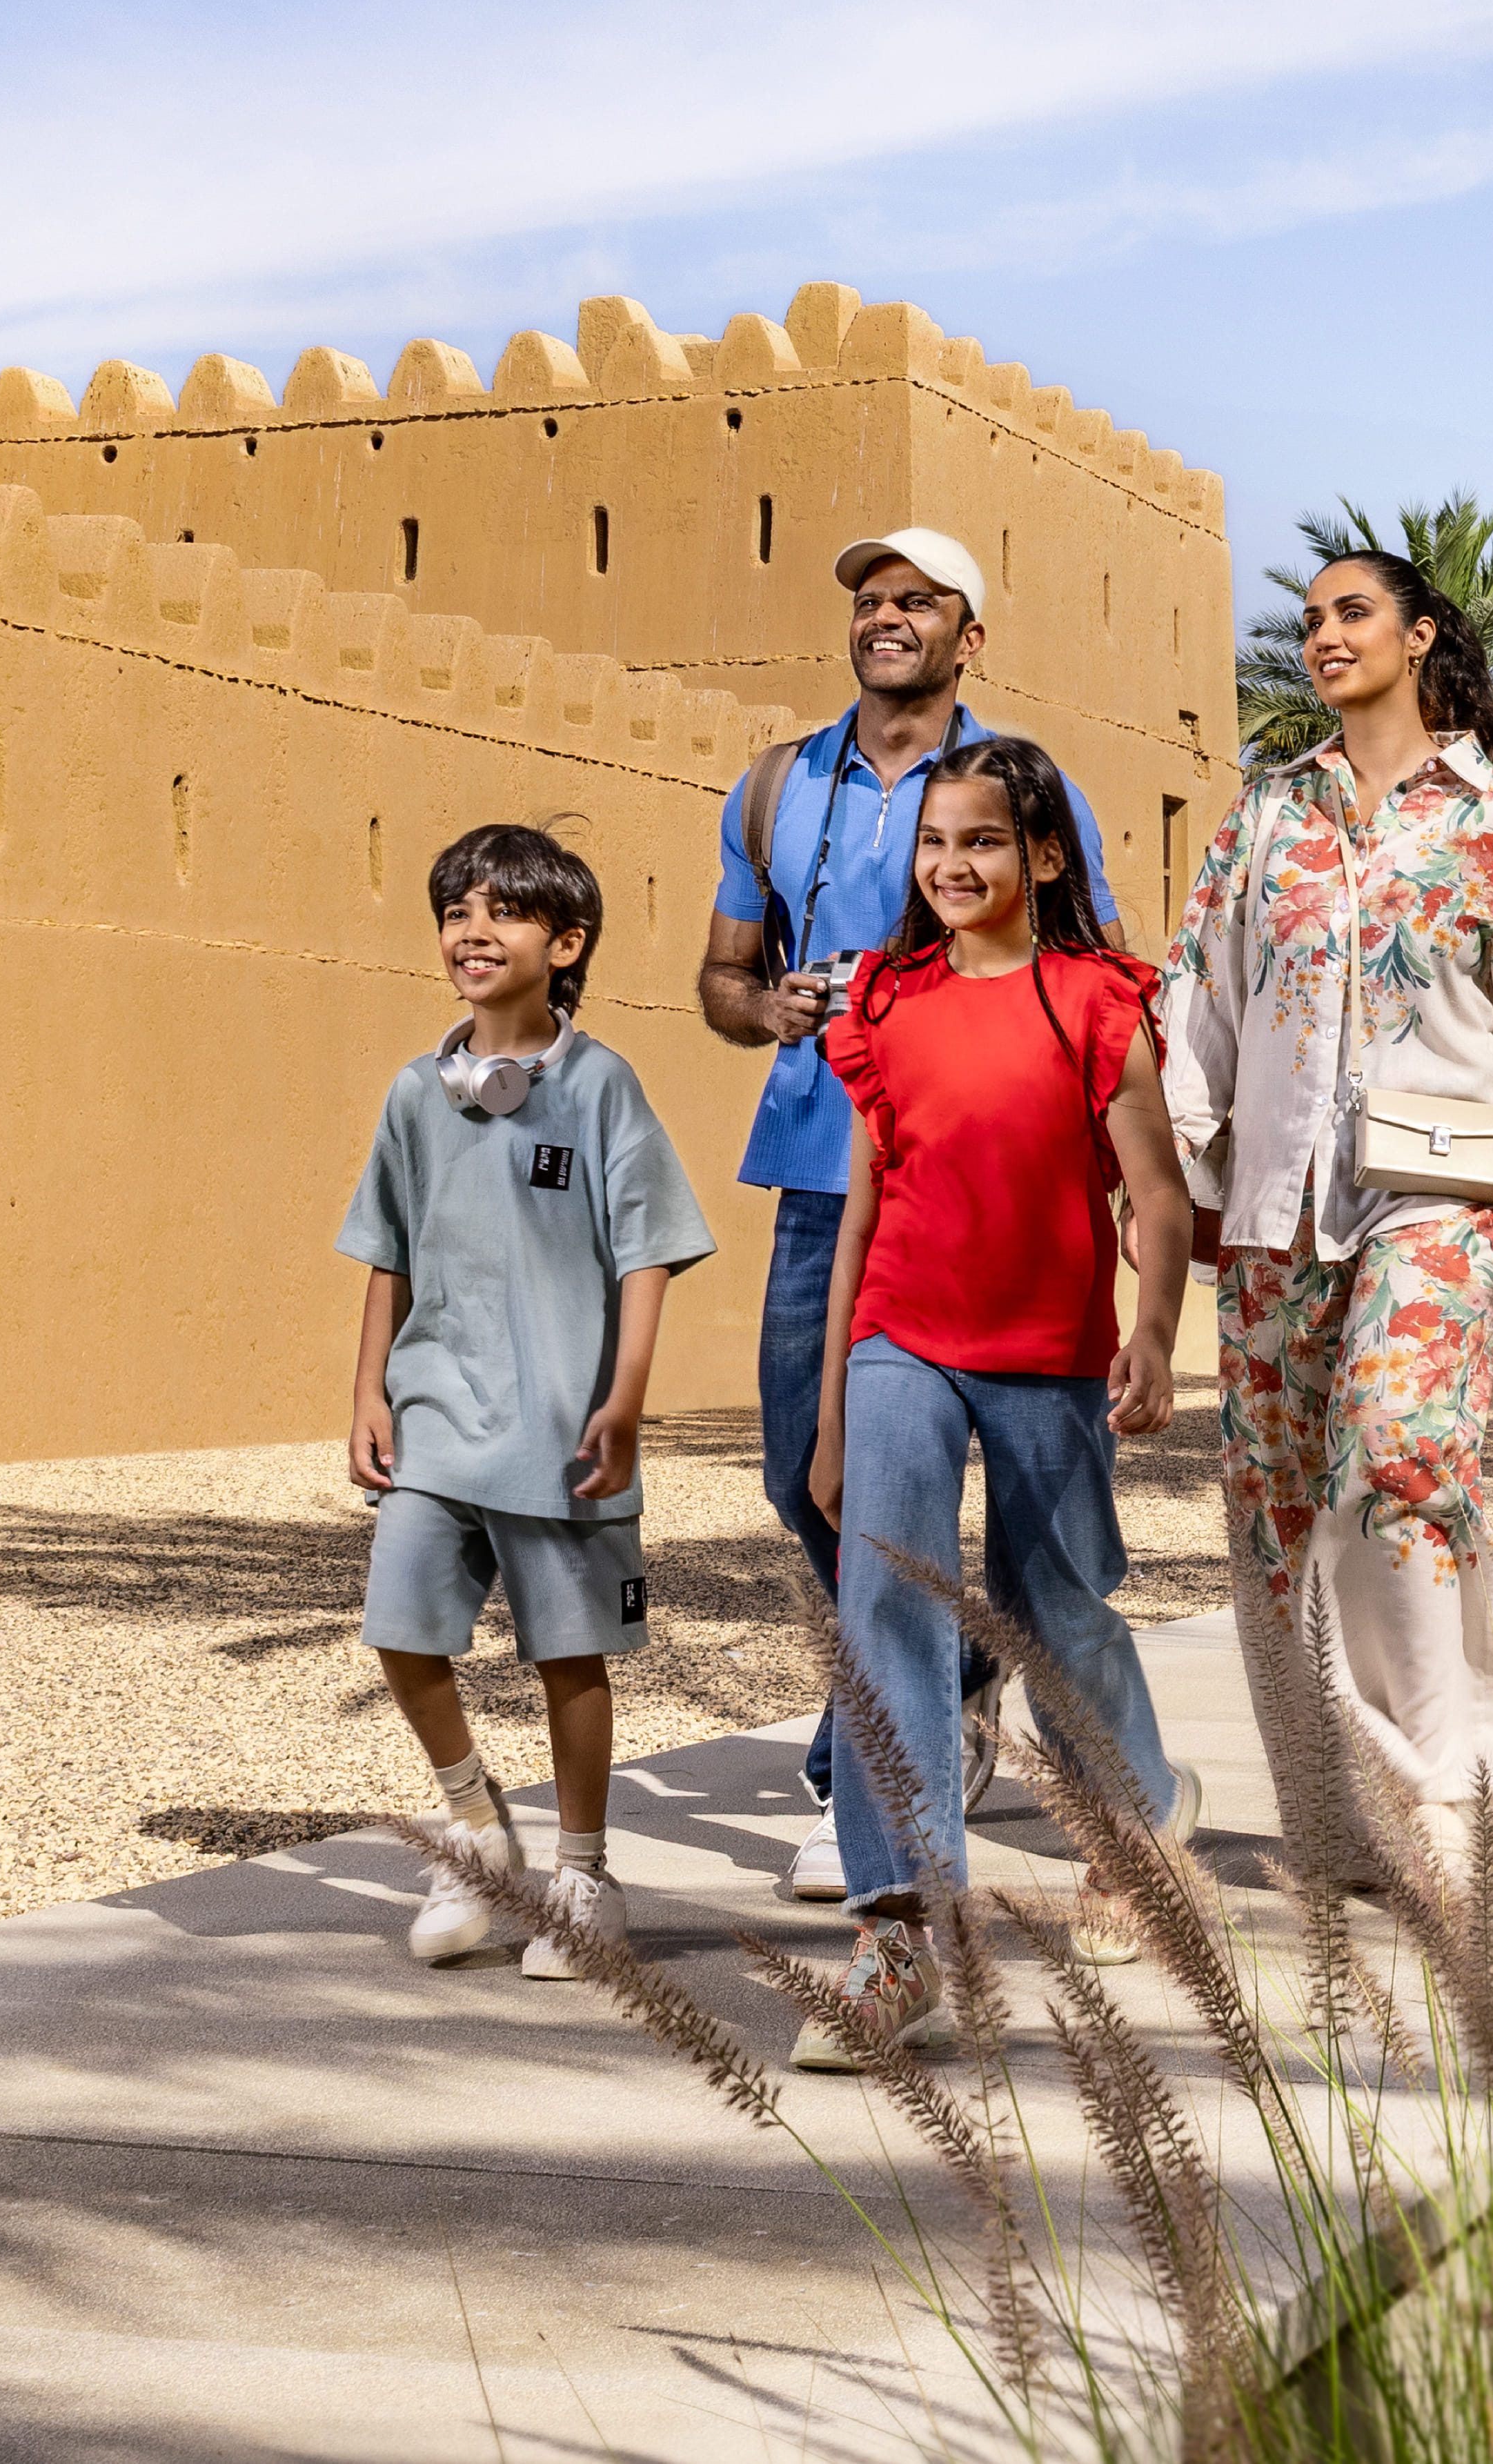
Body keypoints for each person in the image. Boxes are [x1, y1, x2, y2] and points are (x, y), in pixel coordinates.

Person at [1156, 551, 1493, 1845]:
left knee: (1402, 1448)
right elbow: (1201, 989)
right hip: (1276, 1202)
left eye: (1351, 612)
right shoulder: (1266, 816)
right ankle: (1332, 1811)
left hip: (1445, 1189)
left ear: (1421, 637)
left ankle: (1449, 1781)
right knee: (1277, 1504)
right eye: (1308, 619)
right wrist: (1197, 1162)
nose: (1322, 635)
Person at [699, 526, 1111, 1902]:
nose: (886, 618)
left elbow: (1090, 966)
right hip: (825, 1170)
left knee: (1017, 1497)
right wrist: (773, 1009)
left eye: (917, 602)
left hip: (987, 1184)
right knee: (797, 1474)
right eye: (870, 600)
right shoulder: (774, 789)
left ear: (967, 636)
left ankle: (864, 1764)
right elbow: (720, 977)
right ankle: (953, 1669)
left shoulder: (1015, 791)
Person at [791, 739, 1205, 2069]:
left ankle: (1132, 1825)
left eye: (980, 842)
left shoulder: (1094, 1001)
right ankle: (900, 1929)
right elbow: (862, 1205)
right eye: (933, 844)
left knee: (1057, 1606)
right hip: (903, 1339)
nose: (952, 866)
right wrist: (837, 1406)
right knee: (884, 1602)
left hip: (1049, 1354)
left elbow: (1153, 1191)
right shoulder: (888, 1002)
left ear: (1041, 858)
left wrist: (1153, 1333)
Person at [341, 823, 715, 1974]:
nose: (472, 930)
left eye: (501, 912)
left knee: (570, 1656)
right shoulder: (416, 1094)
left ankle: (584, 1872)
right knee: (401, 1629)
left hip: (563, 1426)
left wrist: (627, 1399)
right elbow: (387, 1249)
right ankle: (474, 1829)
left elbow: (646, 1251)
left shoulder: (603, 1088)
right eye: (457, 910)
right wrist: (368, 1385)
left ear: (567, 943)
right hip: (440, 1411)